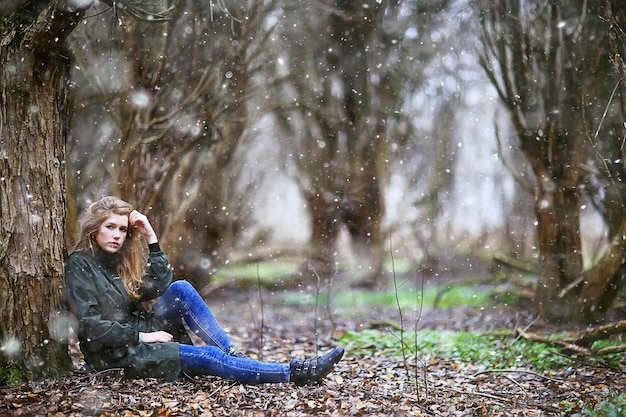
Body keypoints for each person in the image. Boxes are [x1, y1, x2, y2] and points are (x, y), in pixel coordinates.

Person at [65, 196, 344, 385]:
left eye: (123, 230)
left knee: (182, 289)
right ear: (94, 231)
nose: (117, 235)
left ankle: (234, 357)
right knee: (209, 358)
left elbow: (159, 285)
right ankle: (295, 373)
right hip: (118, 355)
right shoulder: (80, 265)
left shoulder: (119, 263)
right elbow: (89, 327)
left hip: (141, 334)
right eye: (110, 227)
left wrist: (151, 237)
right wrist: (144, 336)